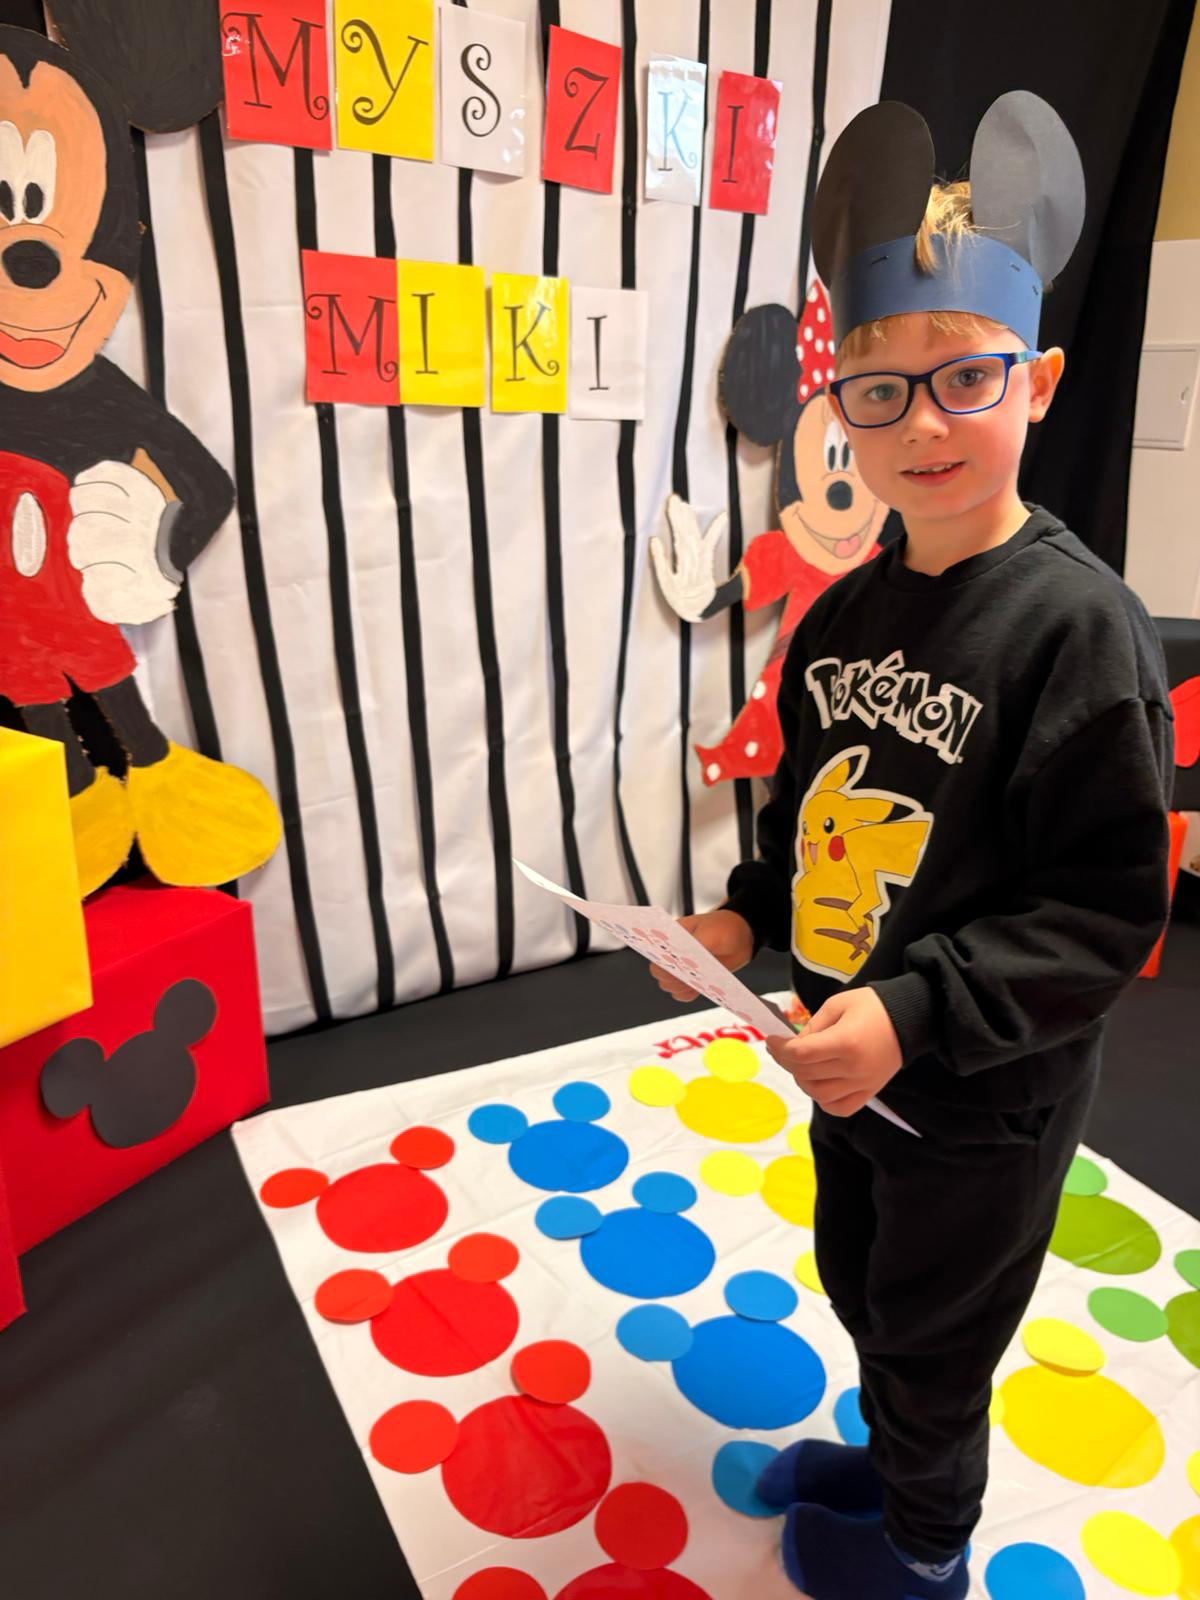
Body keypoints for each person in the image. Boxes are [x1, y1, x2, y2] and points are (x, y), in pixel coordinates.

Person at [650, 95, 1174, 1600]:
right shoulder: (841, 616)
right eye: (880, 392)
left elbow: (1100, 917)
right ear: (838, 409)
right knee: (867, 1287)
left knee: (939, 1338)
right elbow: (808, 820)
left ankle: (928, 1549)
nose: (923, 425)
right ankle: (890, 1465)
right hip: (848, 1068)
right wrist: (742, 922)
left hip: (981, 1099)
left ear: (1040, 382)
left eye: (967, 378)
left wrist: (917, 1010)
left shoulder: (1079, 629)